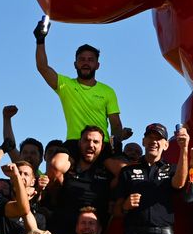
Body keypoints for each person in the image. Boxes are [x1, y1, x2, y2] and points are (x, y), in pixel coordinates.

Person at [34, 22, 127, 152]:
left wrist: (115, 146)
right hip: (74, 142)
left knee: (120, 169)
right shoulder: (65, 85)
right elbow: (43, 68)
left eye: (90, 60)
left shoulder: (108, 91)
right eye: (82, 59)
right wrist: (40, 40)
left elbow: (116, 124)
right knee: (57, 165)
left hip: (101, 144)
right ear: (75, 64)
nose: (86, 63)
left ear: (97, 65)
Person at [115, 123, 190, 234]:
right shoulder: (127, 171)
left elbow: (180, 183)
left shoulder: (172, 169)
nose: (154, 141)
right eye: (150, 137)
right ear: (143, 141)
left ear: (166, 145)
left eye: (158, 138)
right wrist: (125, 205)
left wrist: (184, 148)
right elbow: (115, 209)